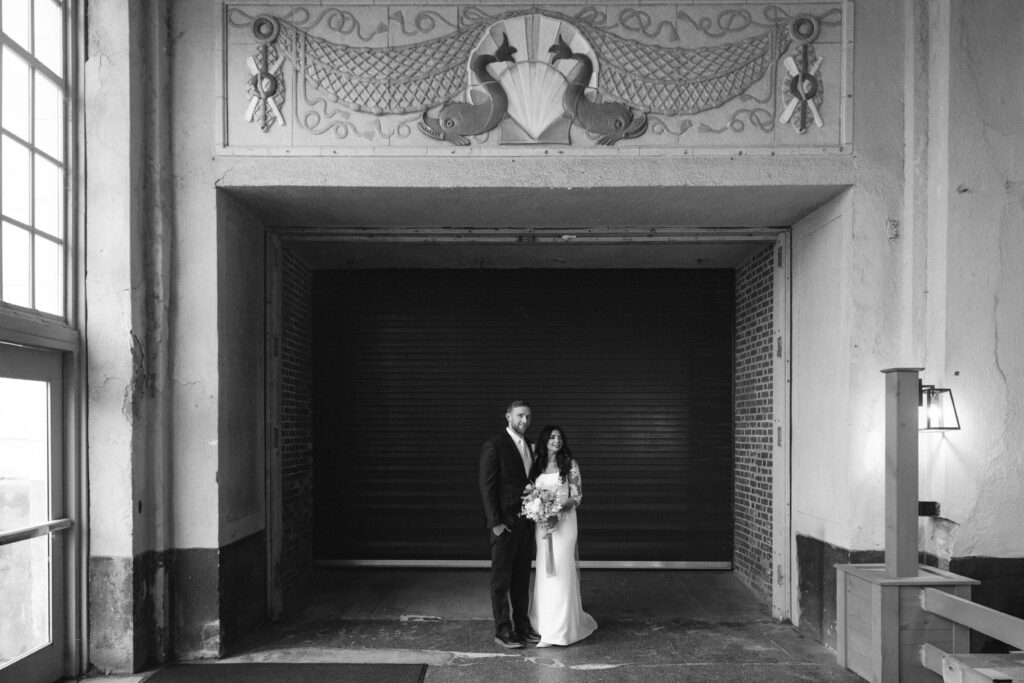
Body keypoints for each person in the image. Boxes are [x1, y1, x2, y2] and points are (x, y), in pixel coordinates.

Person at [479, 400, 542, 648]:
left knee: (521, 579)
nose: (524, 421)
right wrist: (495, 523)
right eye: (519, 416)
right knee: (501, 581)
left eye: (527, 416)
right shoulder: (494, 445)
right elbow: (487, 487)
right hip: (503, 525)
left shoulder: (529, 445)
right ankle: (503, 631)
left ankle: (522, 627)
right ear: (508, 416)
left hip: (526, 525)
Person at [527, 425, 597, 647]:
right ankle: (545, 623)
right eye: (552, 437)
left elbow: (577, 496)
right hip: (543, 525)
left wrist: (557, 512)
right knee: (545, 571)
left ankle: (561, 629)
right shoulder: (536, 464)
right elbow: (529, 493)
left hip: (565, 525)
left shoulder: (570, 464)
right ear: (544, 440)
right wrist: (536, 511)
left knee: (561, 570)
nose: (556, 440)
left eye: (559, 437)